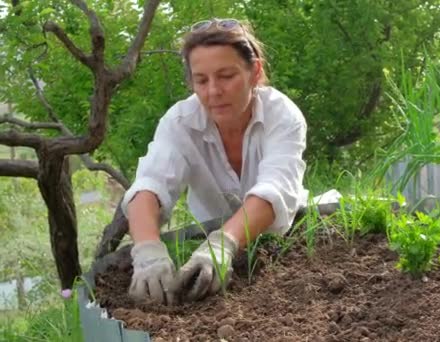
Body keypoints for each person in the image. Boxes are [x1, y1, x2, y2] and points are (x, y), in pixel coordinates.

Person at [121, 18, 308, 305]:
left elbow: (276, 187)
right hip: (201, 249)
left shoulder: (281, 115)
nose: (213, 92)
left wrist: (223, 243)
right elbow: (150, 184)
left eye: (226, 76)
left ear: (254, 72)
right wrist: (147, 250)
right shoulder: (180, 122)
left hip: (282, 247)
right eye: (202, 80)